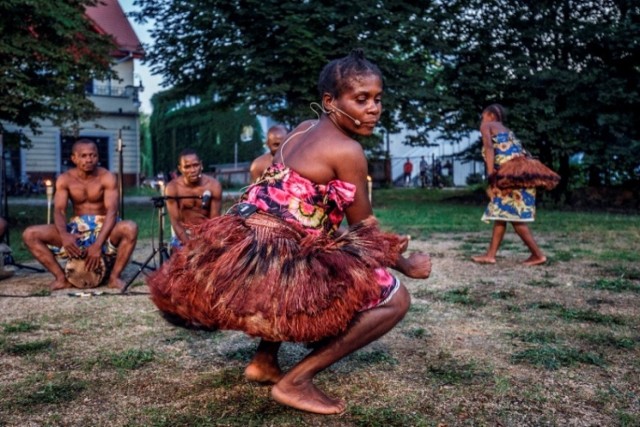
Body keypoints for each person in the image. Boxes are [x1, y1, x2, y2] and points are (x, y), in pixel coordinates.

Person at [147, 49, 432, 415]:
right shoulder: (348, 150)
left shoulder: (301, 129)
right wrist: (407, 264)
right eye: (361, 99)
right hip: (272, 258)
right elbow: (364, 229)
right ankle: (296, 381)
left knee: (304, 257)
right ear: (330, 101)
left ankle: (264, 360)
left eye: (378, 99)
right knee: (395, 299)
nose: (374, 109)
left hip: (249, 247)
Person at [22, 139, 138, 290]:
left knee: (130, 227)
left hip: (104, 228)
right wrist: (64, 235)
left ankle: (114, 277)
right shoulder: (65, 179)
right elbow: (59, 210)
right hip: (77, 229)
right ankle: (61, 278)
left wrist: (97, 245)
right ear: (74, 158)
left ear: (97, 156)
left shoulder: (107, 177)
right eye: (83, 156)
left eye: (93, 155)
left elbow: (112, 211)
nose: (89, 159)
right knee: (30, 234)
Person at [471, 104, 547, 266]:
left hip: (509, 177)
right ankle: (490, 255)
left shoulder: (487, 125)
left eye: (483, 116)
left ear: (490, 115)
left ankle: (537, 255)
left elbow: (489, 149)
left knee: (514, 216)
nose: (481, 120)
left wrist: (491, 175)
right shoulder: (507, 131)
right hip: (521, 174)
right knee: (501, 214)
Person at [165, 149, 222, 248]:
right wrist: (190, 246)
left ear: (201, 165)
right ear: (180, 168)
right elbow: (176, 222)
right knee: (181, 258)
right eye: (187, 167)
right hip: (182, 233)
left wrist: (205, 242)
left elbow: (214, 221)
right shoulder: (172, 188)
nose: (192, 170)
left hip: (206, 232)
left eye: (195, 165)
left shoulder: (213, 186)